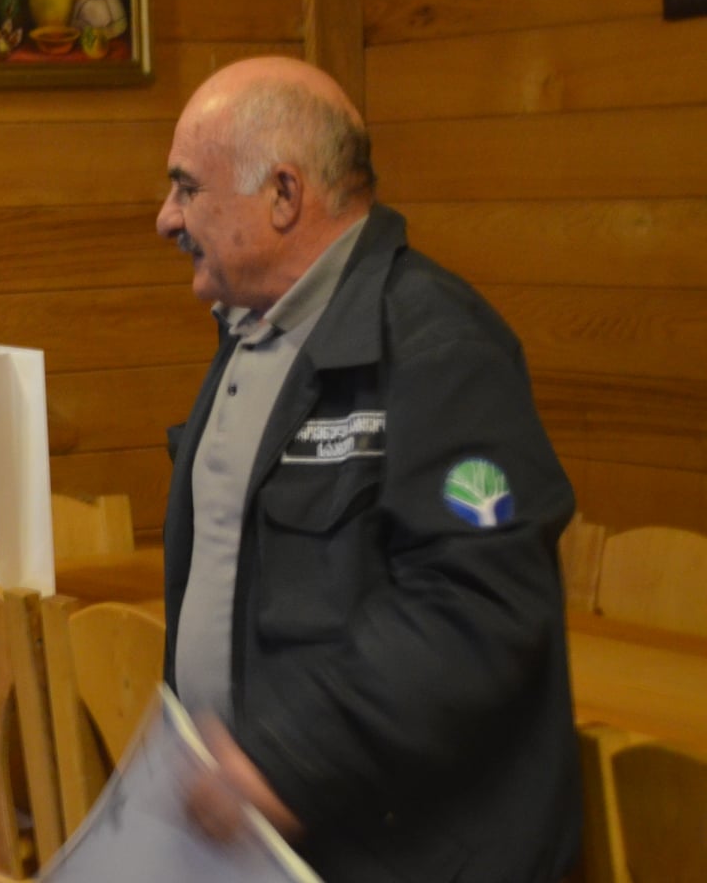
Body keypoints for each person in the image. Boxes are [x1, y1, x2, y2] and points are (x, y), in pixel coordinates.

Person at [154, 56, 581, 882]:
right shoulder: (252, 337)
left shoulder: (443, 349)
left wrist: (282, 762)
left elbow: (477, 607)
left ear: (283, 195)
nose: (167, 218)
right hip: (270, 854)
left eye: (187, 187)